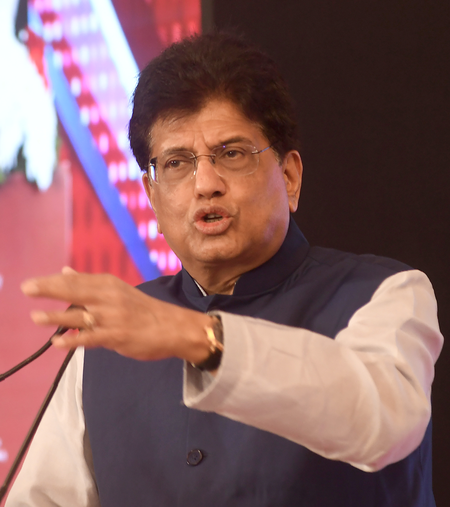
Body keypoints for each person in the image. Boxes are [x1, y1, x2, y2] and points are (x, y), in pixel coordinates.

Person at [6, 32, 443, 506]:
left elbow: (382, 422)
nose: (205, 184)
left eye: (232, 154)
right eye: (177, 163)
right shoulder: (103, 345)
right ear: (152, 197)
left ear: (290, 177)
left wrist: (198, 337)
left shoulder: (386, 294)